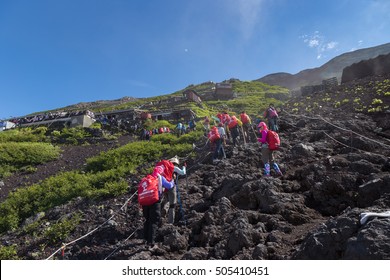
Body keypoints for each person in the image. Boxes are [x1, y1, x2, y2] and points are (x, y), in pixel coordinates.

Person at [142, 173, 175, 248]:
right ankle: (150, 243)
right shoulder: (160, 177)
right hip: (154, 201)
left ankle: (145, 238)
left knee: (147, 220)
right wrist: (173, 180)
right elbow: (169, 186)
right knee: (153, 221)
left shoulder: (147, 178)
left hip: (145, 201)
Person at [153, 156, 186, 224]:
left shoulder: (164, 167)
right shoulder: (174, 167)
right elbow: (183, 173)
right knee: (172, 204)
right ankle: (170, 222)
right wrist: (184, 167)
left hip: (164, 187)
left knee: (167, 200)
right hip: (171, 187)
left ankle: (164, 209)